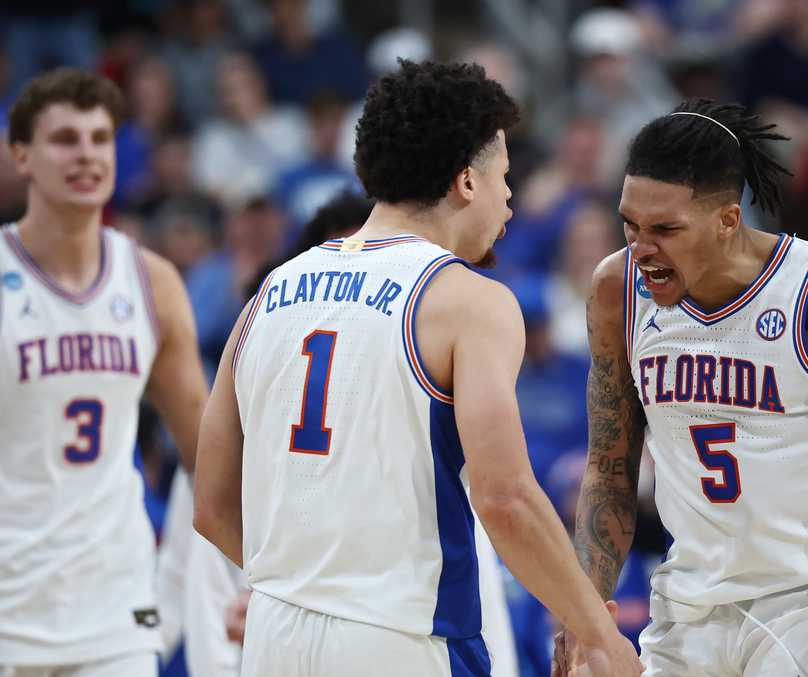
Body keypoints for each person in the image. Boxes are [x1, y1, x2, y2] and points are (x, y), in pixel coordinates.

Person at [192, 59, 641, 677]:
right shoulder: (470, 299)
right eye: (504, 176)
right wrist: (599, 635)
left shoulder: (269, 290)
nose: (509, 196)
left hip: (273, 634)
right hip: (398, 639)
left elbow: (210, 508)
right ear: (465, 181)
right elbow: (505, 497)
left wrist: (305, 588)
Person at [557, 99, 808, 677]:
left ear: (728, 219)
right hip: (687, 607)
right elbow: (609, 467)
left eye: (664, 230)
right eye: (630, 223)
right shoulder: (616, 290)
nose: (641, 248)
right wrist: (585, 617)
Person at [0, 68, 208, 675]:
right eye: (65, 139)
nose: (86, 154)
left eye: (100, 138)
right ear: (22, 156)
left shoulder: (152, 282)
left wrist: (258, 573)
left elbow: (207, 450)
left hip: (113, 609)